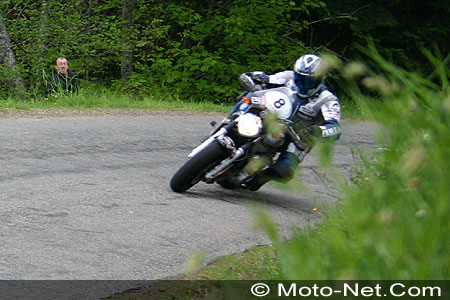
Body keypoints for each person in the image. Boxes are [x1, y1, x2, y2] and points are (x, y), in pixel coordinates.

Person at [229, 54, 342, 191]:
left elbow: (334, 128)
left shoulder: (328, 99)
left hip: (296, 137)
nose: (303, 83)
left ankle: (261, 177)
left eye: (310, 80)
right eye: (301, 78)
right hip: (271, 119)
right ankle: (230, 121)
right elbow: (267, 79)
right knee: (249, 95)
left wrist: (317, 130)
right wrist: (256, 77)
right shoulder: (288, 77)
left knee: (285, 171)